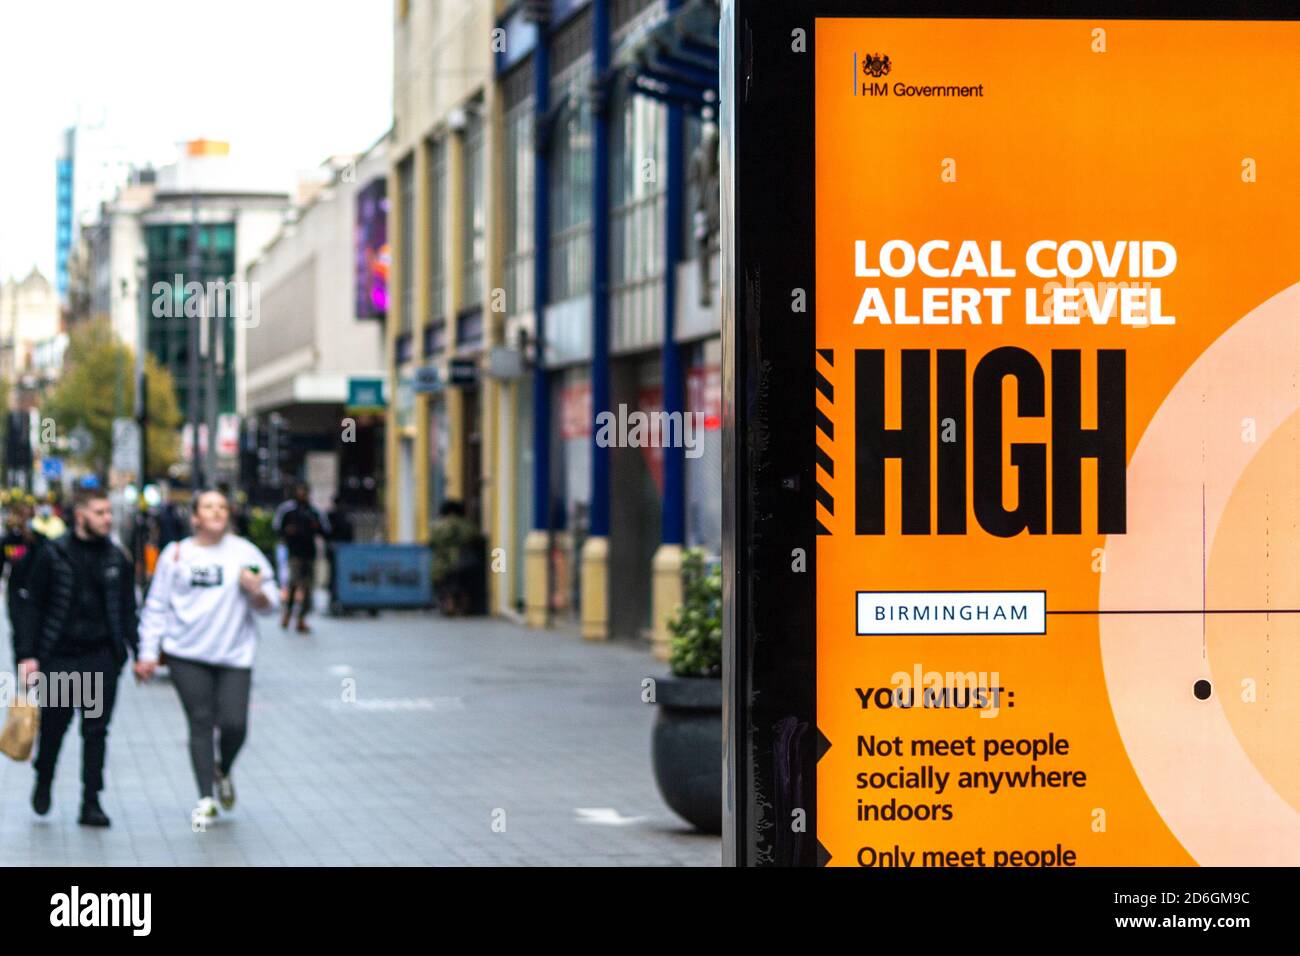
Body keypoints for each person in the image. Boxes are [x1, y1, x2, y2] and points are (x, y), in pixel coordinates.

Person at [134, 489, 280, 826]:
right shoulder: (176, 554)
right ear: (195, 517)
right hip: (186, 654)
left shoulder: (246, 553)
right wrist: (147, 654)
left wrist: (256, 591)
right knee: (200, 721)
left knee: (234, 725)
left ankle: (223, 768)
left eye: (222, 507)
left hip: (234, 654)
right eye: (208, 507)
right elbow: (156, 605)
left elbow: (271, 604)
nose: (216, 512)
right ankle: (205, 798)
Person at [19, 488, 138, 827]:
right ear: (81, 514)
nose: (107, 518)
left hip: (101, 657)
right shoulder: (53, 554)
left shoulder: (117, 557)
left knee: (96, 731)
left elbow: (128, 608)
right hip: (61, 657)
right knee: (55, 728)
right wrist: (28, 655)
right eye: (100, 512)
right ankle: (44, 781)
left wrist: (138, 650)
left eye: (108, 512)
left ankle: (91, 801)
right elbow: (33, 606)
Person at [273, 483, 327, 634]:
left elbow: (325, 530)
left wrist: (316, 527)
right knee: (293, 584)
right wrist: (287, 532)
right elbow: (277, 528)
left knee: (308, 587)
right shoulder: (288, 509)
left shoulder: (314, 511)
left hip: (309, 553)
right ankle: (288, 614)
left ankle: (302, 618)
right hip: (294, 553)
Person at [1, 502, 45, 647]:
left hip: (37, 591)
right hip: (16, 590)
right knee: (19, 631)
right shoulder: (9, 540)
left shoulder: (40, 540)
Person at [324, 494, 354, 612]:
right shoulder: (332, 516)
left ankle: (339, 600)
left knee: (339, 577)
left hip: (343, 552)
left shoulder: (343, 516)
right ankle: (334, 600)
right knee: (334, 577)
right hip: (337, 552)